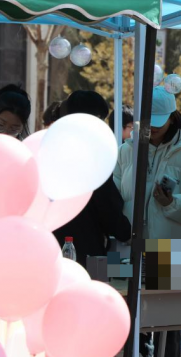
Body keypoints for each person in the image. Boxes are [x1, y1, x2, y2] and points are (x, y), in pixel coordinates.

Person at [114, 86, 181, 357]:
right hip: (130, 251)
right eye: (148, 121)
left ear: (173, 117)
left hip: (173, 254)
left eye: (159, 121)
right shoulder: (126, 151)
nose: (153, 128)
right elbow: (116, 195)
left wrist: (171, 202)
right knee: (130, 331)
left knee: (170, 332)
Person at [52, 90, 132, 269]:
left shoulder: (51, 144)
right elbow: (106, 203)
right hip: (85, 249)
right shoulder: (92, 154)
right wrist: (126, 232)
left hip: (51, 246)